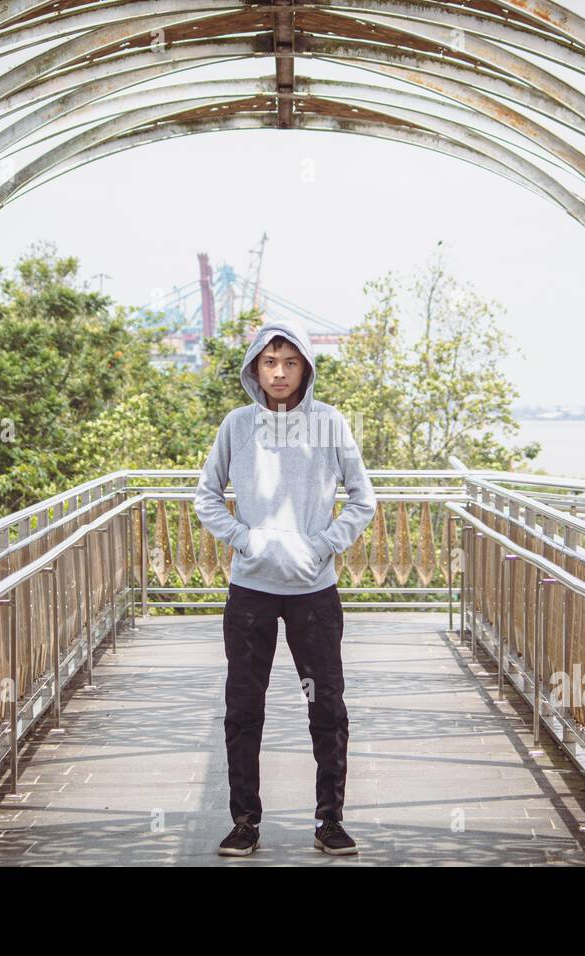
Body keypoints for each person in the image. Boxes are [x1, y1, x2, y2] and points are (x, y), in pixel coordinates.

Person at [193, 316, 377, 857]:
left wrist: (320, 546)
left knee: (327, 708)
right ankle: (245, 823)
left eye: (290, 362)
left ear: (305, 368)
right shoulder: (236, 426)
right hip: (250, 590)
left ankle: (330, 822)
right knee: (244, 707)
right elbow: (206, 496)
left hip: (314, 593)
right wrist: (247, 542)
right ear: (255, 367)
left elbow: (363, 499)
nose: (279, 372)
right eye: (269, 362)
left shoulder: (330, 424)